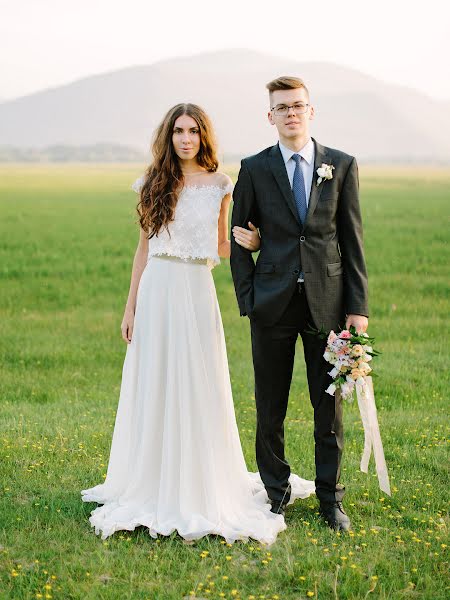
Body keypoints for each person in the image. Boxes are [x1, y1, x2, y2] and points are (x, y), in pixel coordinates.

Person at [81, 102, 315, 545]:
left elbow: (225, 249)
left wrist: (257, 240)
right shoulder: (153, 183)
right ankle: (153, 476)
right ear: (168, 137)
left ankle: (199, 478)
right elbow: (143, 250)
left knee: (198, 382)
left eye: (193, 131)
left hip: (195, 291)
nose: (185, 139)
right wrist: (130, 308)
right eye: (178, 131)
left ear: (203, 136)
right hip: (156, 291)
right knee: (156, 381)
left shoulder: (221, 184)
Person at [230, 77, 369, 531]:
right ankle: (276, 491)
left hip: (328, 306)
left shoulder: (341, 165)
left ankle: (331, 499)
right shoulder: (253, 168)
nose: (291, 113)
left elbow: (352, 242)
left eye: (298, 106)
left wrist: (357, 307)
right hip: (270, 305)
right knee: (270, 406)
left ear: (312, 112)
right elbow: (238, 241)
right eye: (282, 107)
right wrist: (248, 298)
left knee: (328, 408)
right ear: (269, 116)